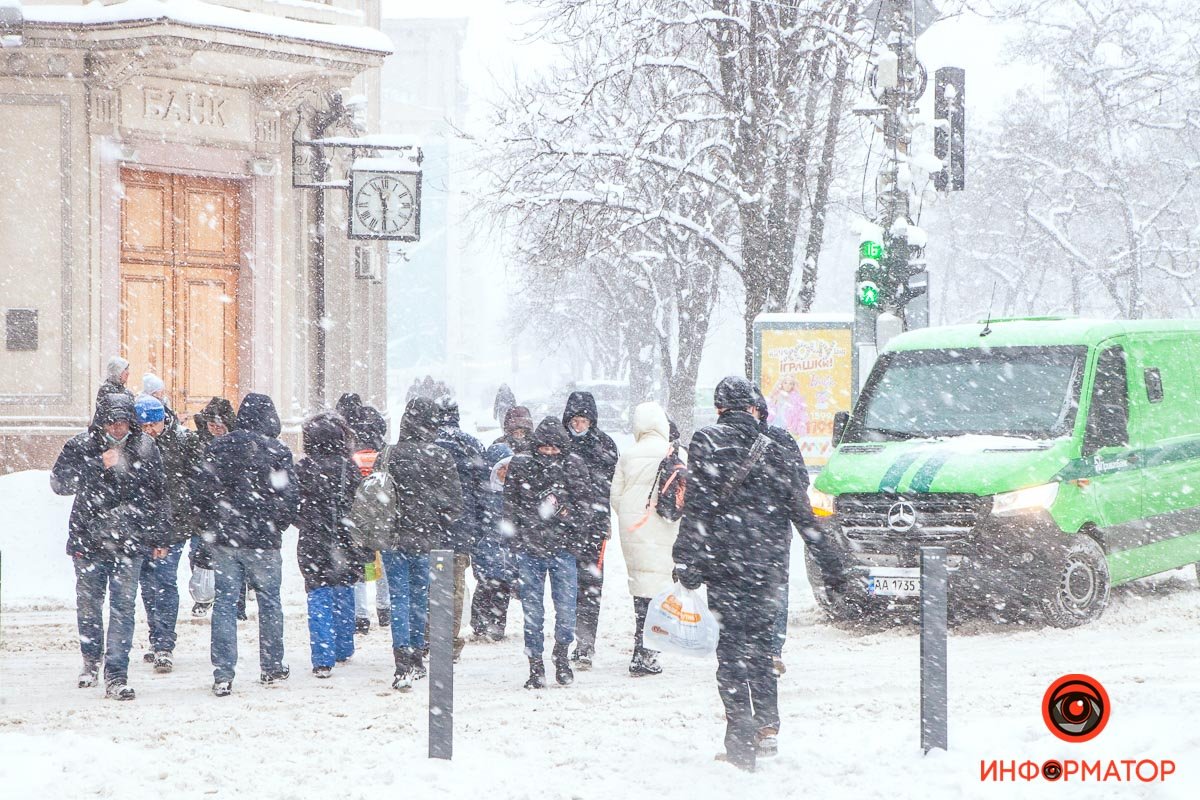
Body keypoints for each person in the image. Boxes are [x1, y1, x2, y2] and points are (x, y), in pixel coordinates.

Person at [672, 376, 808, 771]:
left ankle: (740, 742)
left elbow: (697, 509)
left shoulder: (708, 441)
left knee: (731, 652)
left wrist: (688, 560)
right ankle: (766, 727)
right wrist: (830, 560)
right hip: (768, 567)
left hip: (726, 568)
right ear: (755, 408)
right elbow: (802, 505)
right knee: (763, 649)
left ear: (719, 409)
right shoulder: (780, 444)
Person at [51, 393, 169, 700]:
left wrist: (159, 536)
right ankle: (91, 660)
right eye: (111, 423)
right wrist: (95, 465)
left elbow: (159, 494)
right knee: (89, 605)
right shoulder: (82, 445)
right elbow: (59, 483)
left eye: (123, 423)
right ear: (101, 422)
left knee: (123, 608)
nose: (117, 429)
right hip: (89, 542)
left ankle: (116, 674)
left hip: (130, 543)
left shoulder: (145, 447)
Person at [194, 393, 299, 697]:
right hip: (263, 541)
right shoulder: (277, 450)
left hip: (226, 540)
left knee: (225, 604)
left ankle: (223, 673)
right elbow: (289, 495)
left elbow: (202, 491)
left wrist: (214, 524)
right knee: (269, 602)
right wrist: (276, 521)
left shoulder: (218, 447)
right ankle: (271, 665)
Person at [379, 397, 462, 691]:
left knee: (399, 598)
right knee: (420, 598)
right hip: (427, 539)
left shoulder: (388, 454)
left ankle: (401, 659)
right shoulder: (441, 457)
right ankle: (416, 657)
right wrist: (435, 516)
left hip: (392, 538)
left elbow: (375, 494)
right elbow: (454, 506)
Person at [505, 417, 592, 689]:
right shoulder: (520, 465)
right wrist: (518, 538)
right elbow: (510, 507)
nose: (550, 453)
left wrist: (567, 518)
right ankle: (535, 665)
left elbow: (586, 507)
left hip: (563, 550)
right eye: (545, 448)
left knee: (566, 610)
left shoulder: (573, 465)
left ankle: (562, 654)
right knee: (533, 612)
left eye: (555, 449)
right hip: (531, 550)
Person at [610, 402, 685, 677]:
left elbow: (615, 497)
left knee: (641, 586)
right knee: (661, 586)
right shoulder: (674, 452)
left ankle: (640, 647)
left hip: (633, 527)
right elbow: (685, 492)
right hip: (666, 526)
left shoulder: (628, 455)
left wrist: (632, 515)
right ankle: (648, 651)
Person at [296, 411, 365, 678]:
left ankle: (322, 657)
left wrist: (304, 521)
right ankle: (344, 646)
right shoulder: (350, 468)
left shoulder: (304, 467)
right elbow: (360, 505)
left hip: (313, 540)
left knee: (318, 594)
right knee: (344, 590)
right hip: (344, 538)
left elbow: (292, 503)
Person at [133, 395, 198, 673]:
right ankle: (155, 637)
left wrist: (188, 513)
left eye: (154, 425)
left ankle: (164, 644)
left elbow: (196, 480)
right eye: (144, 426)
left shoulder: (183, 440)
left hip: (175, 524)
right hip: (142, 524)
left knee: (165, 579)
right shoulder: (134, 443)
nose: (150, 431)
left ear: (163, 419)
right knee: (148, 582)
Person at [560, 391, 618, 669]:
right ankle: (565, 640)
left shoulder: (605, 445)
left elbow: (610, 489)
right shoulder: (558, 443)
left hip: (594, 527)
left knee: (591, 586)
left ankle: (585, 643)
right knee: (566, 586)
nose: (579, 425)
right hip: (564, 526)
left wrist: (604, 518)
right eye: (575, 420)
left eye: (584, 420)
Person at [433, 397, 486, 661]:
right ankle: (450, 641)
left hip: (428, 528)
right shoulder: (470, 445)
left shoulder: (427, 445)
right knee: (454, 587)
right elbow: (482, 492)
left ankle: (428, 637)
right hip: (460, 529)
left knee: (429, 586)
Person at [189, 397, 239, 617]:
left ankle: (237, 603)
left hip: (231, 511)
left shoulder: (237, 441)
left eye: (220, 426)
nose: (216, 430)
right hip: (204, 510)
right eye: (212, 426)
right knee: (198, 554)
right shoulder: (197, 442)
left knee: (234, 560)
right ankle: (203, 597)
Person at [347, 403, 391, 634]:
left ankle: (361, 615)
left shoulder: (352, 458)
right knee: (383, 564)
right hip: (383, 519)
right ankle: (384, 608)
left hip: (359, 518)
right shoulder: (383, 457)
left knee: (360, 567)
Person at [470, 444, 516, 641]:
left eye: (508, 468)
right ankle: (480, 622)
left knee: (502, 586)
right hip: (486, 547)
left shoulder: (515, 493)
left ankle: (497, 625)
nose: (505, 473)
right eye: (501, 468)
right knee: (486, 584)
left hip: (507, 550)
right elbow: (476, 521)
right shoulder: (482, 493)